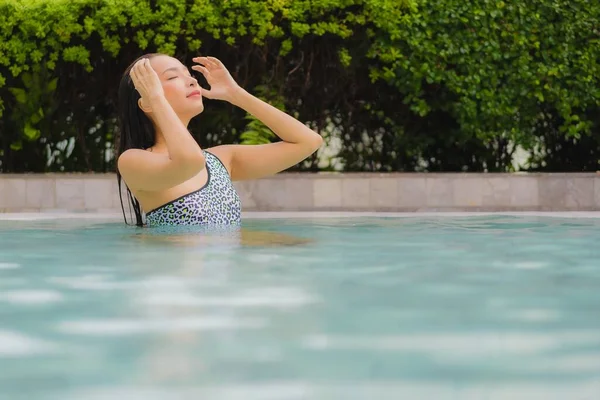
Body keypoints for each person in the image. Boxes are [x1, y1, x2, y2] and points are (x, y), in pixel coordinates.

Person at [116, 54, 323, 227]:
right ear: (147, 103)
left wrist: (235, 94)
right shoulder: (133, 161)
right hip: (177, 275)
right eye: (172, 78)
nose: (192, 80)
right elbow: (189, 162)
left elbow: (308, 142)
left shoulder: (220, 160)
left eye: (189, 74)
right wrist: (156, 99)